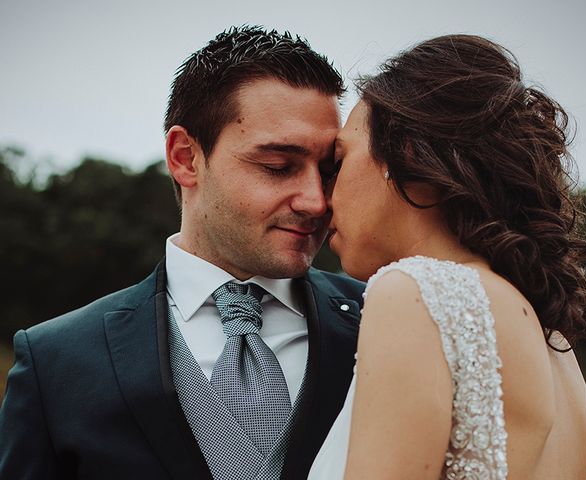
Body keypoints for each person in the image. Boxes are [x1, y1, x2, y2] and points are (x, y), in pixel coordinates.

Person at [0, 26, 364, 480]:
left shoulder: (382, 323)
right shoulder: (56, 360)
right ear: (185, 158)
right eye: (278, 166)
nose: (316, 200)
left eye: (328, 170)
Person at [309, 34, 586, 479]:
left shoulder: (416, 294)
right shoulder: (556, 346)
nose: (323, 195)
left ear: (404, 154)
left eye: (340, 160)